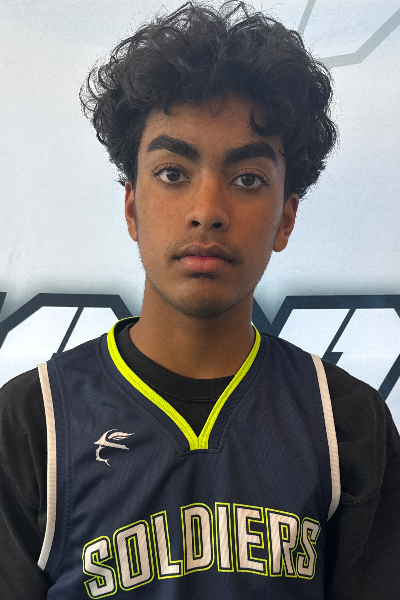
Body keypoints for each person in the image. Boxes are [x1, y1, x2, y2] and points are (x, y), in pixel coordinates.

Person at [0, 2, 399, 598]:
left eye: (247, 179)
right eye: (172, 173)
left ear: (285, 218)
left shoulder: (347, 424)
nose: (207, 210)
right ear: (131, 207)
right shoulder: (33, 422)